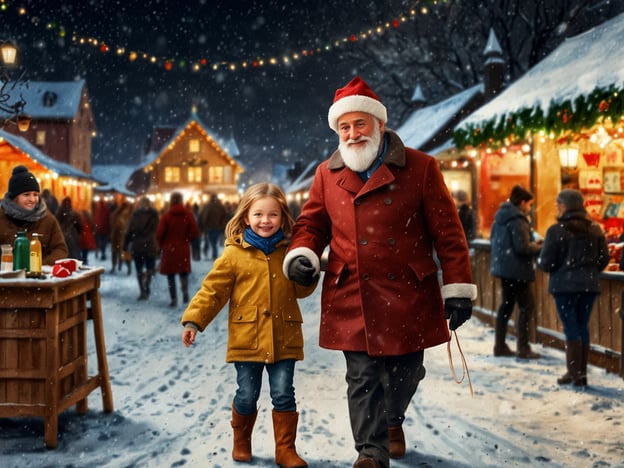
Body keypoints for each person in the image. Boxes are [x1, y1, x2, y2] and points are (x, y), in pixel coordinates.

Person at [282, 76, 476, 468]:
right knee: (363, 376)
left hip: (409, 290)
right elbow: (311, 225)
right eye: (344, 127)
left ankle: (392, 420)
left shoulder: (421, 167)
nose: (352, 134)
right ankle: (371, 453)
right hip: (352, 289)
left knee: (408, 371)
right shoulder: (325, 174)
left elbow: (448, 234)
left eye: (360, 124)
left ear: (380, 125)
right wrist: (302, 252)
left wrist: (457, 287)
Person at [181, 182, 315, 467]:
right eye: (258, 215)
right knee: (247, 394)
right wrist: (194, 319)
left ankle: (285, 450)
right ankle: (241, 440)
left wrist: (307, 274)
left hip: (284, 336)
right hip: (248, 337)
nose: (265, 221)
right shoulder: (233, 255)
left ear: (283, 217)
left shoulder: (289, 252)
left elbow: (301, 291)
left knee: (283, 393)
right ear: (245, 217)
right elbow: (213, 291)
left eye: (273, 215)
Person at [537, 189, 609, 387]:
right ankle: (580, 373)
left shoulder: (556, 231)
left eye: (558, 204)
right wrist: (590, 270)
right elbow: (604, 258)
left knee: (571, 327)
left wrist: (558, 267)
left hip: (564, 286)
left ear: (564, 206)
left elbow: (546, 263)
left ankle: (574, 373)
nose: (557, 208)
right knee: (582, 326)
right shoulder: (595, 229)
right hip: (589, 286)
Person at [490, 185, 543, 359]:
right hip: (518, 271)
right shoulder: (518, 219)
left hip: (505, 270)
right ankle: (523, 347)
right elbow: (523, 247)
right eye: (529, 204)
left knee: (506, 307)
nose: (530, 208)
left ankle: (500, 345)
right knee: (527, 307)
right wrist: (539, 247)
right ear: (522, 202)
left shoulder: (500, 217)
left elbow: (495, 241)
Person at [0, 165, 68, 264]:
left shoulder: (48, 220)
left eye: (35, 194)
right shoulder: (1, 218)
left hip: (38, 278)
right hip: (5, 277)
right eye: (26, 194)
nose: (32, 199)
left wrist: (40, 265)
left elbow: (60, 249)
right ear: (14, 198)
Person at [157, 192, 199, 307]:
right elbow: (195, 232)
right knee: (183, 272)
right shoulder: (188, 215)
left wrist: (163, 244)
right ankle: (185, 291)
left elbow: (159, 234)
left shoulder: (166, 216)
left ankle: (174, 298)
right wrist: (187, 239)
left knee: (171, 276)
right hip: (183, 248)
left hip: (169, 249)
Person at [123, 196, 160, 300]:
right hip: (150, 245)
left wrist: (125, 245)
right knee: (150, 267)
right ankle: (147, 284)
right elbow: (158, 229)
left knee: (139, 269)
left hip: (138, 245)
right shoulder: (154, 215)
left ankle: (142, 290)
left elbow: (129, 231)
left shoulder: (135, 215)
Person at [199, 193, 227, 260]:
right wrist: (222, 225)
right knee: (214, 241)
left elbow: (205, 216)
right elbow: (224, 216)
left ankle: (212, 253)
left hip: (210, 226)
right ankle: (213, 253)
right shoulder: (220, 206)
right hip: (218, 227)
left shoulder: (208, 206)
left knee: (211, 241)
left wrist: (204, 225)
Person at [110, 195, 133, 274]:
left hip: (121, 235)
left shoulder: (125, 213)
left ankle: (121, 265)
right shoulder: (119, 212)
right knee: (120, 251)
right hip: (119, 234)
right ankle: (118, 265)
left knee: (120, 251)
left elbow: (116, 222)